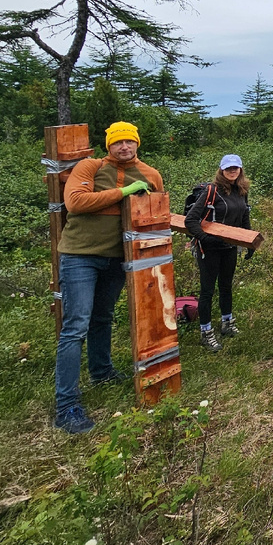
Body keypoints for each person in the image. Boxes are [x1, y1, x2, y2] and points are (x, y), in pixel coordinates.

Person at [54, 121, 164, 434]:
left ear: (137, 144)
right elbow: (75, 202)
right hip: (80, 256)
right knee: (75, 326)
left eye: (129, 142)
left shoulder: (151, 175)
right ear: (109, 145)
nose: (124, 147)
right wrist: (124, 192)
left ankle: (101, 372)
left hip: (118, 258)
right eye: (118, 143)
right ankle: (67, 406)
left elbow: (156, 214)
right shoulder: (89, 167)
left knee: (102, 318)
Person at [185, 153, 252, 353]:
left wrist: (249, 243)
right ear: (221, 170)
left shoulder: (241, 191)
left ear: (240, 170)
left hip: (229, 248)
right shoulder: (211, 192)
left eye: (236, 168)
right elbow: (190, 221)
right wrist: (205, 238)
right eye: (228, 168)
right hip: (209, 249)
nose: (232, 171)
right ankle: (206, 332)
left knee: (226, 286)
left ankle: (227, 323)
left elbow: (244, 218)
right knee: (207, 291)